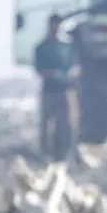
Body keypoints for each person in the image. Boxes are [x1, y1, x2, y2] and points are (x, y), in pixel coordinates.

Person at [34, 15, 79, 161]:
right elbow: (39, 69)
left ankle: (63, 154)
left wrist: (70, 75)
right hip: (49, 91)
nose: (56, 28)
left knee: (65, 125)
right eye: (54, 25)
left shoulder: (66, 47)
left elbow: (74, 66)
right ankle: (46, 154)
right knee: (46, 125)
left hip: (64, 91)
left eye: (58, 25)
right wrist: (52, 74)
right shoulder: (42, 48)